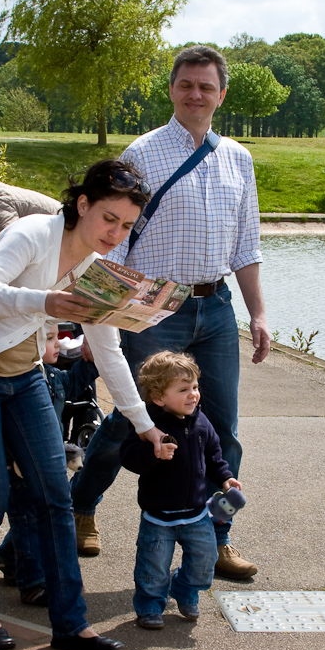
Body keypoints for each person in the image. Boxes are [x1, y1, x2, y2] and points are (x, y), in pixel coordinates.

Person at [0, 159, 167, 650]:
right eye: (108, 219)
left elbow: (109, 351)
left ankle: (72, 626)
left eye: (125, 226)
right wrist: (46, 303)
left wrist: (144, 424)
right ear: (82, 205)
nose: (114, 233)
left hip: (23, 378)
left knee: (56, 497)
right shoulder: (33, 232)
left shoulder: (98, 271)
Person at [70, 44, 271, 579]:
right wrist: (97, 320)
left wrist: (257, 314)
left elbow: (246, 247)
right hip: (154, 311)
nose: (196, 94)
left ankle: (217, 536)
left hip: (216, 308)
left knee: (222, 430)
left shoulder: (239, 159)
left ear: (221, 94)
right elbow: (110, 242)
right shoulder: (142, 153)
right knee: (130, 424)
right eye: (187, 84)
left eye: (207, 86)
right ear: (172, 90)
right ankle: (81, 506)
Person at [120, 351, 241, 629]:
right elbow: (127, 457)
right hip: (158, 516)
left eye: (195, 387)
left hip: (197, 514)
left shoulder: (201, 422)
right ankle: (150, 606)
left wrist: (225, 479)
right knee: (153, 568)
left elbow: (214, 456)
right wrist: (154, 454)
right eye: (184, 390)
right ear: (159, 397)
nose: (193, 395)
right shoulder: (148, 426)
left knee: (204, 561)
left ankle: (185, 588)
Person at [0, 323, 99, 605]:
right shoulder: (12, 382)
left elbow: (78, 380)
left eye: (57, 337)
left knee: (39, 516)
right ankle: (33, 582)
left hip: (48, 460)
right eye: (49, 339)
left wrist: (94, 355)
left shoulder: (54, 377)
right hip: (17, 465)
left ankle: (7, 556)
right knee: (28, 518)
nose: (58, 344)